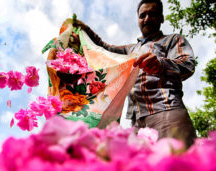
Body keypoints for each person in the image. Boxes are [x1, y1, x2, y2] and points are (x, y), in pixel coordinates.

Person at [74, 0, 196, 147]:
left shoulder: (172, 39)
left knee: (176, 163)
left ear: (162, 18)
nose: (147, 19)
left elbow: (187, 64)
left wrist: (161, 65)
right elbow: (104, 48)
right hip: (136, 123)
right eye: (142, 15)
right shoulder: (130, 50)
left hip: (167, 112)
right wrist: (84, 31)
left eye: (152, 14)